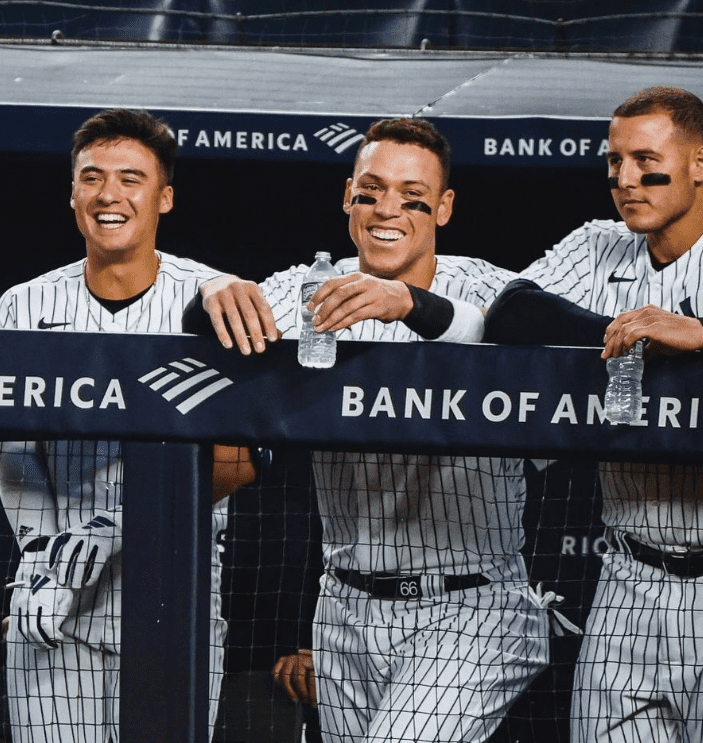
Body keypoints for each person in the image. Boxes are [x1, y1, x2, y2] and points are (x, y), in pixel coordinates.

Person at [186, 118, 552, 743]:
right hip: (343, 610)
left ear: (444, 207)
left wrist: (408, 302)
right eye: (371, 190)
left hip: (472, 604)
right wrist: (211, 287)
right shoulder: (310, 288)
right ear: (347, 196)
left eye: (412, 196)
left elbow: (537, 334)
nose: (388, 210)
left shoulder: (492, 289)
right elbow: (209, 320)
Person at [484, 86, 703, 743]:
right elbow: (511, 308)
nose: (624, 179)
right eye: (613, 162)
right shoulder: (600, 245)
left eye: (644, 160)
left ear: (700, 162)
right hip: (627, 576)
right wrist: (626, 328)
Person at [0, 108, 255, 743]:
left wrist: (130, 519)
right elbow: (10, 449)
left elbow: (244, 459)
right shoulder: (20, 306)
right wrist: (38, 557)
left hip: (176, 590)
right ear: (72, 191)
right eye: (92, 177)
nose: (109, 194)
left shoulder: (210, 300)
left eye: (130, 178)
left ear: (163, 197)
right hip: (54, 592)